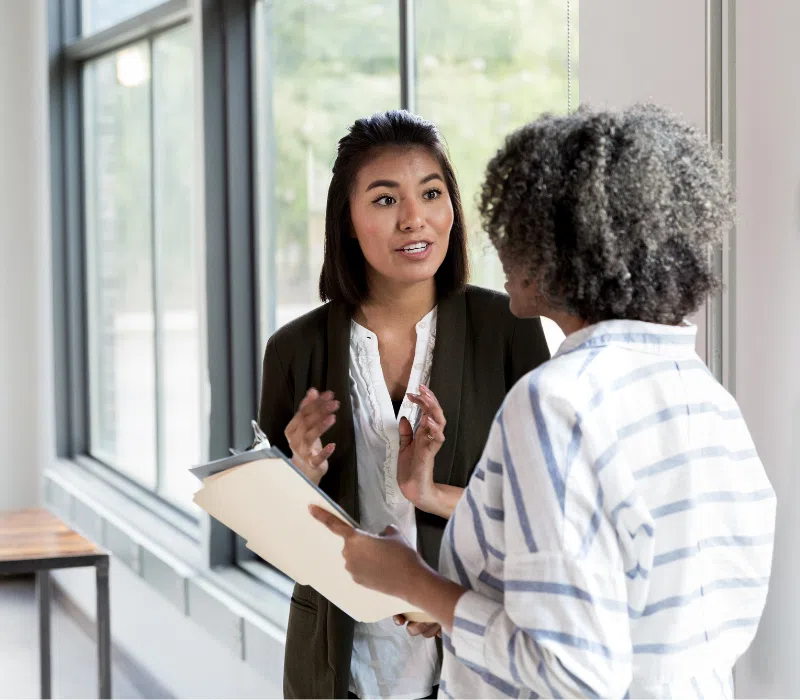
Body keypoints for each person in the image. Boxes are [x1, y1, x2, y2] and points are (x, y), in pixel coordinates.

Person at [312, 104, 777, 698]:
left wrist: (414, 581)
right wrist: (460, 605)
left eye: (516, 225)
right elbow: (628, 602)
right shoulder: (706, 397)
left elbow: (573, 672)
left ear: (567, 247)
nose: (499, 244)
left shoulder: (556, 402)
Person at [258, 109, 551, 699]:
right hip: (341, 662)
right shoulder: (295, 349)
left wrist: (437, 588)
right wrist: (298, 479)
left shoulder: (508, 328)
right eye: (386, 200)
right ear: (347, 222)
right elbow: (272, 540)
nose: (415, 219)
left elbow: (543, 512)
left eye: (432, 193)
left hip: (472, 652)